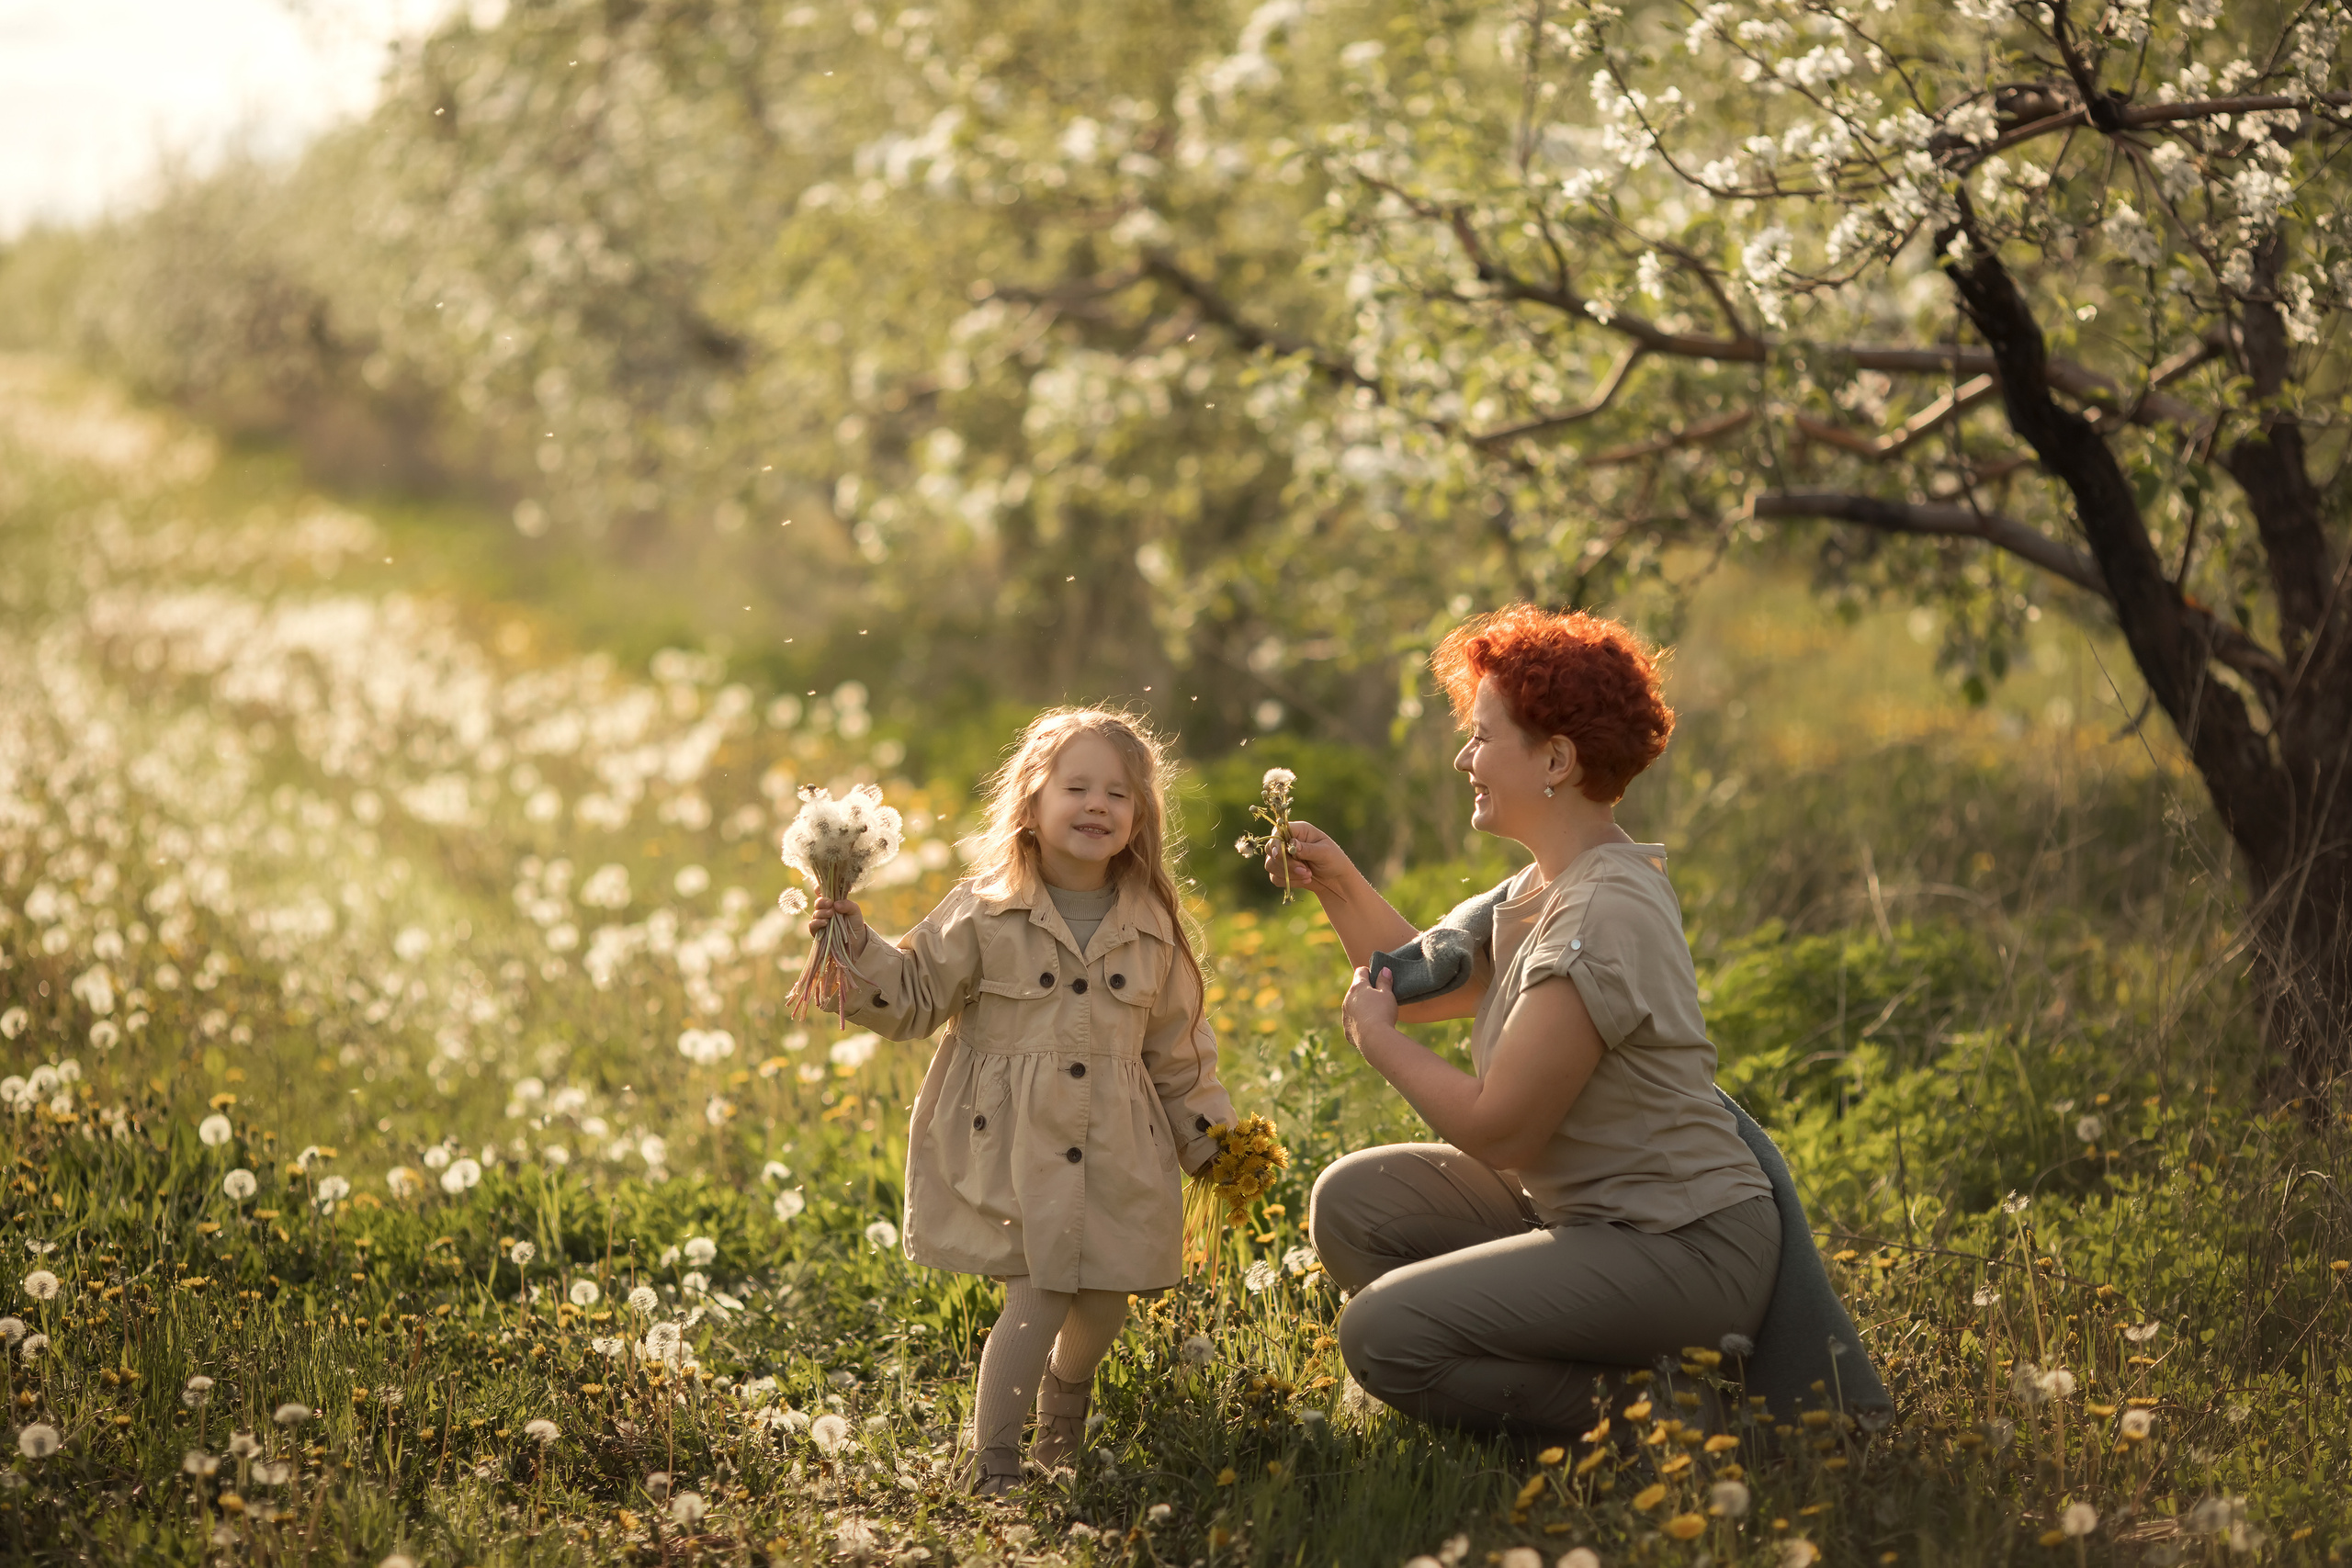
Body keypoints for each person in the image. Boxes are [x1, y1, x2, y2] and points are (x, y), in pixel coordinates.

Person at [1271, 604, 1781, 1440]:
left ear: (1555, 758)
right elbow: (1415, 980)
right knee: (1355, 1204)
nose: (1465, 758)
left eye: (1482, 737)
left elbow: (1500, 1131)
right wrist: (1335, 881)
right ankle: (1579, 1371)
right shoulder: (1539, 887)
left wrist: (1380, 1044)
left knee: (1382, 1336)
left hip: (1683, 1248)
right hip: (1588, 1217)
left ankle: (1678, 1421)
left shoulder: (1602, 911)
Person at [810, 708, 1235, 1494]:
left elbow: (1178, 1051)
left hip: (1117, 1144)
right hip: (1013, 1139)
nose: (1096, 804)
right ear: (1032, 804)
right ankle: (994, 1459)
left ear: (1139, 817)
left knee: (1106, 1296)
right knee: (1038, 1292)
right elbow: (912, 996)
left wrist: (1216, 1141)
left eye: (1117, 792)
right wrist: (856, 944)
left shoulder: (1153, 926)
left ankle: (1064, 1400)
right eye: (1076, 786)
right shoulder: (984, 907)